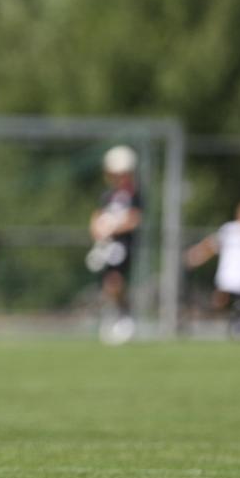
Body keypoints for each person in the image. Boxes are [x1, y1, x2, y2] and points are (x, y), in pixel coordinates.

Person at [87, 145, 142, 344]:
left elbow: (135, 219)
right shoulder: (107, 195)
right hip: (106, 246)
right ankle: (115, 315)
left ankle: (124, 316)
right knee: (107, 284)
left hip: (123, 245)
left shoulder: (133, 194)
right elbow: (96, 217)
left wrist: (112, 229)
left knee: (114, 281)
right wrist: (98, 231)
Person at [185, 198, 240, 339]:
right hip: (228, 273)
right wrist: (197, 255)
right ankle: (204, 324)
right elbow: (212, 244)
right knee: (219, 301)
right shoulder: (231, 229)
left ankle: (239, 325)